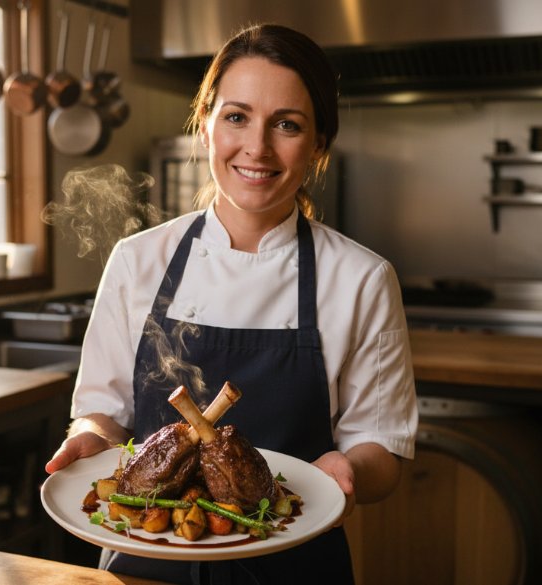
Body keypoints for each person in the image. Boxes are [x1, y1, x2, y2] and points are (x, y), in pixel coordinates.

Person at [45, 23, 417, 585]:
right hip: (143, 564)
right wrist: (88, 439)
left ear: (318, 145)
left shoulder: (361, 278)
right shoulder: (137, 260)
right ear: (206, 125)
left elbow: (382, 453)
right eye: (237, 117)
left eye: (287, 124)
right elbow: (102, 413)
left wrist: (350, 470)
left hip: (295, 569)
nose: (257, 148)